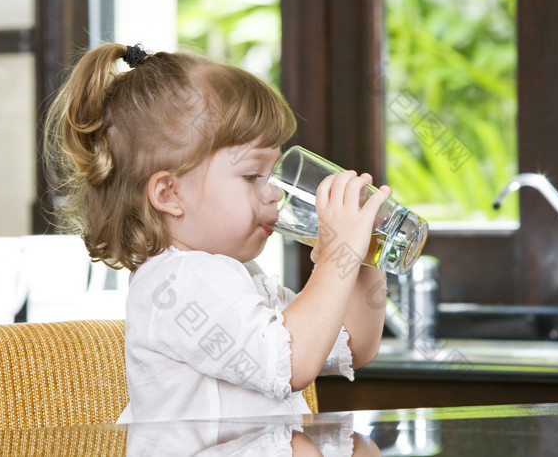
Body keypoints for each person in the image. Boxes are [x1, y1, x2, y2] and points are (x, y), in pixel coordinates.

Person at [44, 42, 391, 422]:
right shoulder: (177, 284)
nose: (274, 191)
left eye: (273, 172)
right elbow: (291, 364)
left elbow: (354, 343)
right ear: (169, 193)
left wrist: (360, 256)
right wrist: (335, 262)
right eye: (251, 175)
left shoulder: (239, 276)